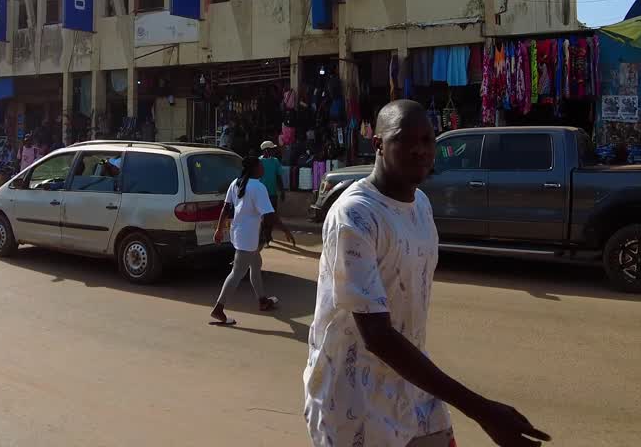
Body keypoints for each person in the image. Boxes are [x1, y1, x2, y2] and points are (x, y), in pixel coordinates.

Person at [304, 100, 549, 447]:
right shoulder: (355, 216)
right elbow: (377, 336)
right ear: (378, 144)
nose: (420, 150)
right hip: (354, 404)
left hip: (414, 389)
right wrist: (483, 411)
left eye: (427, 140)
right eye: (405, 139)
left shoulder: (420, 204)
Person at [210, 155, 295, 325]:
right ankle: (219, 308)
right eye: (261, 166)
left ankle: (262, 300)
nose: (263, 169)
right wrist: (285, 230)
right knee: (237, 272)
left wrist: (220, 230)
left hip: (240, 233)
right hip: (248, 237)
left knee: (256, 264)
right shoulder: (258, 187)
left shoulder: (236, 182)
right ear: (255, 169)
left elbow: (226, 208)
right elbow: (269, 215)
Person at [258, 141, 283, 211]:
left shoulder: (275, 161)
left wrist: (282, 190)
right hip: (261, 192)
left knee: (272, 211)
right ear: (266, 150)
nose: (274, 151)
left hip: (272, 192)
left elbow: (278, 176)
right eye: (272, 149)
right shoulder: (259, 161)